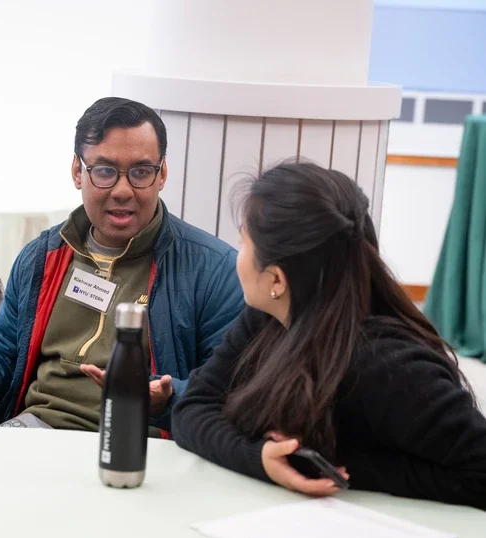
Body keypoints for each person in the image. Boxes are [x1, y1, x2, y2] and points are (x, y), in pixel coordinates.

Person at [0, 97, 244, 436]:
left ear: (161, 174)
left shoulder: (213, 269)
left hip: (142, 443)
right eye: (104, 171)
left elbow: (231, 390)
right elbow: (1, 365)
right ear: (78, 171)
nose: (122, 190)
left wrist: (168, 398)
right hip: (36, 430)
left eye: (140, 172)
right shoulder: (41, 258)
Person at [172, 162, 486, 509]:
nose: (237, 253)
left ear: (277, 280)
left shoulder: (387, 366)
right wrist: (260, 458)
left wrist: (347, 467)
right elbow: (193, 408)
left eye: (243, 241)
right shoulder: (268, 317)